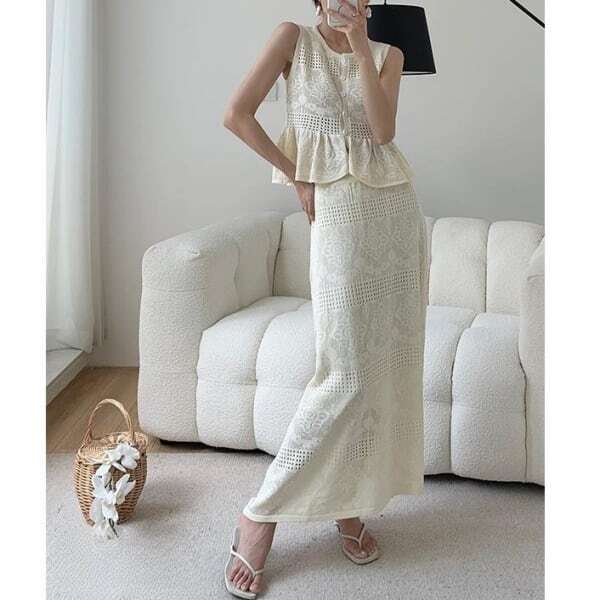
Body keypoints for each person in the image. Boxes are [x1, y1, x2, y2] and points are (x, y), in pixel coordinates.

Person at [222, 1, 429, 597]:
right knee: (345, 372)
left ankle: (349, 504)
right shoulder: (293, 38)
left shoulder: (390, 53)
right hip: (337, 212)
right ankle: (260, 514)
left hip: (394, 215)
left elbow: (382, 132)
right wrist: (296, 175)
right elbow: (236, 115)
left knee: (383, 370)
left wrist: (363, 47)